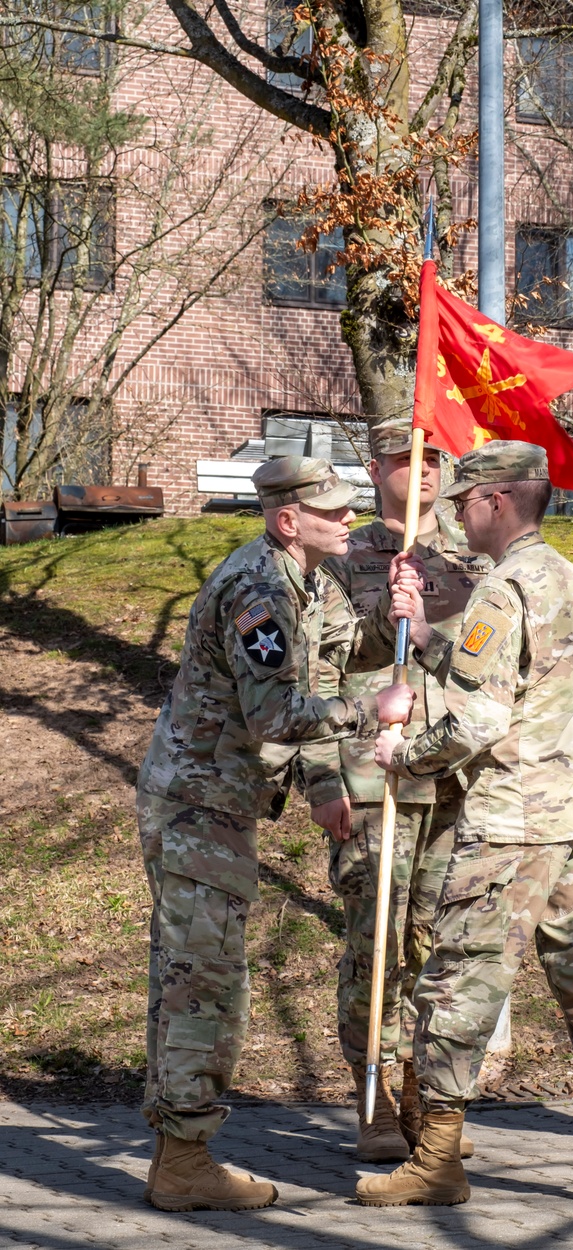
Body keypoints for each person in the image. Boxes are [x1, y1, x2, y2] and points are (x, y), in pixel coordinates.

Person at [356, 440, 573, 1209]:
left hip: (515, 820)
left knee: (458, 987)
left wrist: (404, 755)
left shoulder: (502, 589)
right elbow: (532, 682)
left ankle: (437, 1162)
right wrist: (429, 642)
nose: (455, 513)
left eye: (462, 502)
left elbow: (478, 720)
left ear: (495, 502)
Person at [136, 456, 416, 1213]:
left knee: (205, 974)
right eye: (331, 510)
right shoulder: (258, 589)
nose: (349, 517)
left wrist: (394, 620)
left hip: (221, 804)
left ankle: (180, 1149)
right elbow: (278, 713)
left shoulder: (310, 583)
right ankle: (183, 1160)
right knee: (203, 980)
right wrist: (371, 713)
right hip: (199, 804)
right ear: (287, 520)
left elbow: (328, 659)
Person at [322, 417, 492, 1162]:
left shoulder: (478, 560)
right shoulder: (343, 557)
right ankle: (376, 1095)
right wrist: (322, 776)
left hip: (452, 779)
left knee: (442, 948)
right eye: (402, 456)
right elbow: (309, 676)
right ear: (375, 467)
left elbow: (496, 669)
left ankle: (429, 1090)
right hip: (369, 779)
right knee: (375, 943)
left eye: (433, 457)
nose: (420, 469)